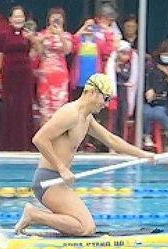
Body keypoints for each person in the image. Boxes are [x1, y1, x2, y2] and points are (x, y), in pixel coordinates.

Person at [14, 73, 155, 236]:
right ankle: (34, 215)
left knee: (84, 227)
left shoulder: (86, 118)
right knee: (85, 228)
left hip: (58, 181)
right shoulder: (71, 113)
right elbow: (39, 139)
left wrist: (143, 154)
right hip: (48, 181)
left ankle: (37, 216)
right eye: (106, 98)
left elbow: (111, 140)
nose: (106, 105)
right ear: (93, 92)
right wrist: (62, 168)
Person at [0, 6, 38, 151]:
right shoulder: (4, 35)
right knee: (10, 106)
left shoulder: (28, 35)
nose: (18, 19)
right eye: (16, 16)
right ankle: (9, 143)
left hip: (25, 75)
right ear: (10, 19)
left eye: (21, 16)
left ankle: (25, 143)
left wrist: (33, 39)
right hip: (9, 75)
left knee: (24, 106)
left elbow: (37, 52)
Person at [33, 7, 73, 125]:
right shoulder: (42, 34)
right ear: (49, 19)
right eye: (53, 17)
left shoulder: (66, 35)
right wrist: (40, 39)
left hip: (60, 74)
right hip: (45, 74)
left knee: (60, 105)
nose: (56, 20)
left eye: (59, 17)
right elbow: (36, 53)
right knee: (45, 106)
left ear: (63, 20)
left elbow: (67, 50)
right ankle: (44, 133)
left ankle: (59, 133)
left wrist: (60, 35)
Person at [143, 42, 168, 149]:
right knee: (146, 112)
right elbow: (145, 81)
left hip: (164, 102)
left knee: (158, 113)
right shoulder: (150, 67)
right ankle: (147, 136)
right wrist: (148, 90)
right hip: (148, 101)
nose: (167, 57)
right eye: (165, 54)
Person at [105, 40, 138, 138]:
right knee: (113, 118)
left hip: (124, 93)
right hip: (115, 93)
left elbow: (127, 76)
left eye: (127, 54)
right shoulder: (112, 64)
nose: (125, 56)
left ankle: (122, 139)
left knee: (123, 117)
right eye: (122, 53)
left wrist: (119, 70)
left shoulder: (128, 65)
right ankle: (111, 140)